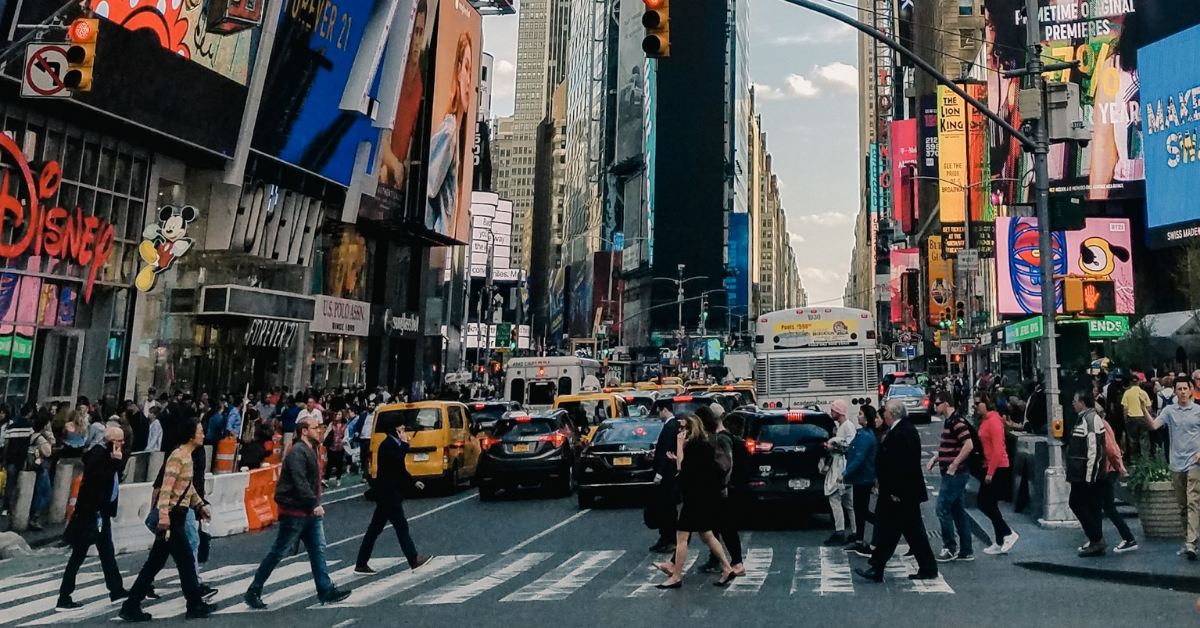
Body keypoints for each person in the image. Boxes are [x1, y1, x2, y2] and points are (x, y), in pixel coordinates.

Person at [244, 418, 351, 609]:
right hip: (294, 512)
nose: (319, 431)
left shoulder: (310, 450)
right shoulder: (297, 453)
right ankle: (253, 590)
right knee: (278, 552)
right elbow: (299, 481)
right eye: (315, 428)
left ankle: (325, 590)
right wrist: (313, 504)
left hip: (307, 512)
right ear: (303, 431)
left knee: (318, 550)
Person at [120, 418, 215, 621]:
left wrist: (199, 505)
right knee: (186, 561)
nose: (203, 435)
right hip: (172, 518)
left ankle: (131, 605)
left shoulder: (187, 456)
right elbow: (166, 488)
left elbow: (187, 488)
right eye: (200, 431)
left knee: (156, 563)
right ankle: (194, 604)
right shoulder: (178, 457)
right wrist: (163, 515)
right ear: (191, 435)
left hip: (176, 516)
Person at [856, 402, 938, 582]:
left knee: (904, 531)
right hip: (901, 492)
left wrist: (896, 491)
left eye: (885, 411)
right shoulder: (902, 429)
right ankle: (879, 567)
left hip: (901, 493)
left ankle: (880, 567)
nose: (883, 414)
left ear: (892, 413)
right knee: (897, 531)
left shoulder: (903, 432)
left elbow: (903, 465)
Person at [653, 414, 737, 588]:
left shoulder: (692, 447)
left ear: (691, 429)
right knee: (707, 534)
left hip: (694, 497)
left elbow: (682, 468)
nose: (680, 431)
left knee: (682, 537)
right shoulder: (705, 446)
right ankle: (727, 567)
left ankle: (676, 575)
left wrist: (679, 446)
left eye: (683, 428)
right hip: (703, 495)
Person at [58, 426, 129, 609]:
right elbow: (97, 481)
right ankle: (64, 596)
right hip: (92, 514)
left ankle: (116, 590)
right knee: (80, 555)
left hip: (100, 513)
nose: (122, 444)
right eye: (119, 440)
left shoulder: (107, 455)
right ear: (110, 440)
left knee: (105, 552)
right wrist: (115, 463)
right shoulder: (99, 455)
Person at [354, 419, 431, 574]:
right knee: (401, 527)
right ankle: (413, 559)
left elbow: (400, 469)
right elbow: (396, 461)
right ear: (395, 430)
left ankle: (361, 563)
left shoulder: (392, 445)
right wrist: (404, 444)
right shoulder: (387, 445)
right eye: (401, 428)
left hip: (387, 493)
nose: (404, 430)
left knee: (375, 529)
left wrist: (413, 482)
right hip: (388, 493)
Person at [1138, 375, 1200, 561]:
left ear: (1191, 390)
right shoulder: (1169, 411)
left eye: (1185, 389)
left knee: (1193, 501)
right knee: (1182, 505)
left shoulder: (1198, 410)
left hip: (1195, 462)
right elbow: (1154, 426)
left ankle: (1191, 542)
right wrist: (1143, 409)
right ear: (1174, 391)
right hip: (1176, 462)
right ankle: (1188, 540)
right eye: (1179, 389)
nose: (1182, 392)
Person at [928, 392, 975, 562]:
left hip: (955, 473)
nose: (935, 406)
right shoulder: (950, 421)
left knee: (942, 508)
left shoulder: (956, 421)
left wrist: (954, 464)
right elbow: (951, 446)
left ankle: (949, 547)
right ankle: (966, 549)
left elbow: (968, 444)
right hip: (954, 472)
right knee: (957, 511)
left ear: (946, 403)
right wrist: (936, 458)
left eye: (937, 403)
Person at [1068, 389, 1109, 557]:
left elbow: (1094, 449)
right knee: (1091, 506)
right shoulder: (1087, 418)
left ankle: (1096, 539)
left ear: (1082, 402)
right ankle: (1095, 540)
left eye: (1075, 400)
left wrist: (1089, 476)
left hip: (1085, 473)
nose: (1073, 403)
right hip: (1085, 472)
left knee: (1076, 503)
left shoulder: (1090, 419)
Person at [976, 395, 1018, 555]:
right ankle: (1000, 539)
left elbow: (998, 449)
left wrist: (990, 472)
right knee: (989, 504)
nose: (976, 407)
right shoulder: (987, 420)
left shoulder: (993, 421)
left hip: (998, 467)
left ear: (986, 404)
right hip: (991, 465)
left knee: (984, 502)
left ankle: (1007, 533)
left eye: (978, 403)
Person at [1098, 412, 1138, 553]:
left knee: (1107, 506)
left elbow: (1110, 448)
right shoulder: (1103, 422)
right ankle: (1096, 539)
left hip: (1107, 469)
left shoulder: (1099, 424)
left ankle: (1128, 538)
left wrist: (1119, 467)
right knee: (1102, 505)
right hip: (1107, 469)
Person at [845, 405, 878, 556]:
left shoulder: (866, 436)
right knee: (860, 509)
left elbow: (859, 457)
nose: (858, 416)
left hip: (864, 477)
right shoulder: (862, 433)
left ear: (866, 417)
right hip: (861, 476)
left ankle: (882, 525)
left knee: (861, 509)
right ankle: (859, 539)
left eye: (860, 414)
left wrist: (846, 472)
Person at [649, 399, 681, 553]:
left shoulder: (670, 427)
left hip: (668, 475)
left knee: (668, 508)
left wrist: (660, 473)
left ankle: (671, 540)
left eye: (659, 410)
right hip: (668, 473)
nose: (658, 414)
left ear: (664, 410)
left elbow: (667, 452)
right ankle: (664, 538)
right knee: (664, 507)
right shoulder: (671, 426)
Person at [823, 399, 856, 546]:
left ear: (838, 411)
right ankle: (855, 532)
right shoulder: (842, 427)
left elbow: (849, 447)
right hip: (844, 467)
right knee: (848, 503)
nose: (831, 413)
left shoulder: (847, 427)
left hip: (841, 467)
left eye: (833, 410)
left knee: (835, 499)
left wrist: (833, 447)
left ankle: (840, 532)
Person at [26, 413, 55, 531]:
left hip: (35, 464)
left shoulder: (32, 435)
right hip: (41, 464)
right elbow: (48, 451)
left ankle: (33, 516)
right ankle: (35, 516)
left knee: (38, 491)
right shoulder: (41, 438)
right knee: (44, 492)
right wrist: (49, 434)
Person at [1121, 375, 1153, 462]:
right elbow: (1149, 407)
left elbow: (1125, 409)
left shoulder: (1127, 393)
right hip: (1143, 417)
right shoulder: (1143, 393)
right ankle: (1145, 459)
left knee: (1132, 440)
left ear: (1130, 383)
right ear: (1138, 382)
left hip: (1131, 418)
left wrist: (1125, 420)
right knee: (1144, 439)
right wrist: (1150, 419)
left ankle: (1134, 460)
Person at [324, 411, 349, 486]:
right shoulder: (331, 424)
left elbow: (346, 435)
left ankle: (338, 479)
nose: (337, 416)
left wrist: (344, 441)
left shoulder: (345, 426)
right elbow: (327, 432)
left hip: (340, 447)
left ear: (342, 416)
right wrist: (324, 440)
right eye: (336, 414)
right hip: (331, 446)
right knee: (329, 464)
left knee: (339, 464)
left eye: (339, 414)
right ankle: (326, 479)